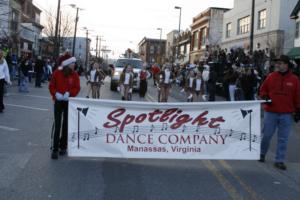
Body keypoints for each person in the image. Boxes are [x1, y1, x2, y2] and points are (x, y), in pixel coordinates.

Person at [259, 55, 300, 170]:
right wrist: (265, 96)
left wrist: (298, 109)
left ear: (286, 65)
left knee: (283, 138)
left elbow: (298, 96)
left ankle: (279, 160)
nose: (278, 65)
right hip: (271, 112)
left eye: (280, 63)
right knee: (266, 135)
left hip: (286, 114)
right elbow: (263, 89)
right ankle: (262, 153)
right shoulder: (271, 77)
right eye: (277, 63)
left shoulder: (294, 79)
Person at [49, 57, 80, 159]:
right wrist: (55, 93)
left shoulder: (74, 74)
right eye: (72, 63)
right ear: (67, 64)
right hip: (58, 100)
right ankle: (55, 148)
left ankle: (63, 146)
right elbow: (51, 86)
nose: (74, 65)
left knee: (66, 124)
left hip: (68, 101)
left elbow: (77, 87)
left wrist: (70, 93)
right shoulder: (57, 73)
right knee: (57, 124)